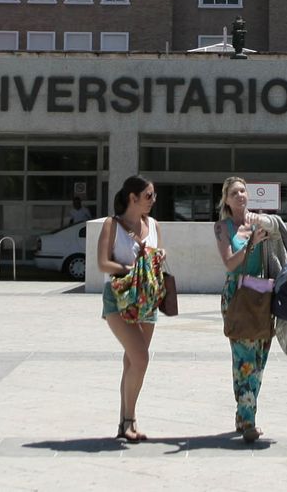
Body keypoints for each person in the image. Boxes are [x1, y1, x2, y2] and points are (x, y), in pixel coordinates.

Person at [97, 175, 161, 443]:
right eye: (148, 195)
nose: (152, 200)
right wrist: (132, 269)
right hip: (118, 297)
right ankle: (129, 420)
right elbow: (102, 263)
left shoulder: (153, 224)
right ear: (132, 198)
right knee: (141, 358)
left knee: (132, 361)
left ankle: (126, 421)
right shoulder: (112, 225)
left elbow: (156, 257)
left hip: (146, 298)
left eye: (154, 195)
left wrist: (157, 258)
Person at [215, 175, 273, 443]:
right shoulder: (222, 227)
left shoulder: (260, 221)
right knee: (244, 357)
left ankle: (243, 414)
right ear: (226, 199)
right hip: (237, 295)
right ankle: (248, 420)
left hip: (261, 295)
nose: (240, 195)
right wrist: (251, 243)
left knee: (258, 360)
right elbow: (229, 263)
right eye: (234, 192)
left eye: (243, 191)